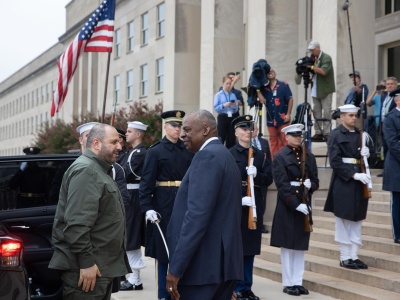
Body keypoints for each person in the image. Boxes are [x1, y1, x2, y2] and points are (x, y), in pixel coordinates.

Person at [166, 109, 243, 300]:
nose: (182, 134)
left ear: (206, 130)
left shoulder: (207, 156)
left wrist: (176, 268)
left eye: (188, 129)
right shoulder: (224, 155)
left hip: (202, 269)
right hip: (219, 267)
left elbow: (196, 217)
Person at [49, 124, 131, 299]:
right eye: (114, 142)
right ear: (96, 143)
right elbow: (76, 224)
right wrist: (87, 263)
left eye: (120, 142)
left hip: (100, 267)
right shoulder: (87, 171)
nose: (119, 146)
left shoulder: (99, 169)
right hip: (88, 270)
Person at [139, 110, 193, 300]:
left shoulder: (188, 149)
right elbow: (145, 185)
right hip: (163, 204)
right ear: (165, 127)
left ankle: (181, 293)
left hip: (184, 201)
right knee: (164, 254)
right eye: (174, 126)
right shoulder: (155, 151)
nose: (177, 129)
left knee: (184, 248)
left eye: (180, 126)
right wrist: (147, 208)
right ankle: (164, 295)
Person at [270, 124, 319, 296]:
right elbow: (282, 185)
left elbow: (315, 180)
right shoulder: (280, 157)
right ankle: (288, 282)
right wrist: (295, 204)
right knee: (288, 246)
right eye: (294, 135)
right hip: (288, 206)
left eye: (300, 135)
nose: (298, 138)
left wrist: (310, 186)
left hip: (304, 203)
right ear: (286, 137)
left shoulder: (309, 156)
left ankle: (298, 281)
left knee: (300, 246)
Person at [229, 115, 273, 300]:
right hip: (237, 207)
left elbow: (269, 178)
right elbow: (225, 183)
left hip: (255, 206)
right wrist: (238, 199)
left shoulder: (260, 154)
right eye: (243, 128)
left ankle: (247, 286)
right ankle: (237, 287)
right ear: (236, 132)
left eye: (250, 128)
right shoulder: (229, 154)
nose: (248, 131)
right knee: (237, 249)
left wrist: (257, 176)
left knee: (251, 248)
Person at [324, 104, 372, 270]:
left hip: (360, 181)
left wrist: (367, 154)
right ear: (342, 117)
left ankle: (354, 255)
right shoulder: (336, 135)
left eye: (355, 115)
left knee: (357, 218)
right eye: (350, 115)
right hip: (344, 181)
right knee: (343, 219)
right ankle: (345, 257)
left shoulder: (361, 135)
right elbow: (335, 162)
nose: (354, 118)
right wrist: (353, 174)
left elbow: (365, 160)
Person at [119, 121, 148, 291]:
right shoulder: (131, 153)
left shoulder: (140, 153)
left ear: (138, 134)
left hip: (133, 197)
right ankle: (135, 279)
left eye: (129, 131)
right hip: (127, 196)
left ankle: (135, 278)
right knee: (129, 238)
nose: (126, 134)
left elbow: (126, 174)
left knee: (131, 237)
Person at [257, 69, 293, 158]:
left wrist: (288, 114)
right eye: (268, 72)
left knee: (284, 141)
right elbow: (262, 100)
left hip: (283, 118)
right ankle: (274, 162)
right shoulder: (265, 89)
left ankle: (285, 160)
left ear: (275, 73)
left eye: (271, 71)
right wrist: (257, 90)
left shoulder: (283, 85)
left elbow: (290, 99)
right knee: (273, 141)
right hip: (271, 119)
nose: (270, 73)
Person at [307, 41, 336, 140]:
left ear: (318, 48)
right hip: (315, 89)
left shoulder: (326, 58)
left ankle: (327, 132)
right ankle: (318, 131)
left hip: (326, 89)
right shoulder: (313, 59)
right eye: (310, 50)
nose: (311, 52)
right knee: (316, 111)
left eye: (313, 50)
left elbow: (323, 71)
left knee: (327, 111)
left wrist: (311, 67)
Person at [382, 92, 400, 244]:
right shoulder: (390, 118)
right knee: (398, 200)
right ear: (397, 100)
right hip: (397, 164)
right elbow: (393, 144)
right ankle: (398, 233)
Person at [251, 123, 272, 233]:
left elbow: (268, 158)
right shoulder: (245, 142)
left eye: (253, 129)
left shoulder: (264, 142)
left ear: (257, 129)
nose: (252, 131)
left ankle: (260, 222)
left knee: (262, 200)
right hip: (250, 175)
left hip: (263, 175)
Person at [214, 75, 240, 148]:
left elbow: (236, 108)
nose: (228, 85)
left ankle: (230, 153)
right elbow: (216, 107)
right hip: (223, 116)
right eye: (227, 83)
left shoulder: (233, 95)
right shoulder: (218, 95)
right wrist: (224, 105)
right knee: (221, 136)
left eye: (230, 83)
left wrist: (234, 106)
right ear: (223, 83)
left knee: (231, 137)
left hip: (231, 116)